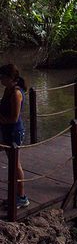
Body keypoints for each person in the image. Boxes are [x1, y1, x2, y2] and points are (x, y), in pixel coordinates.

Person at [0, 64, 28, 208]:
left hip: (14, 131)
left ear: (11, 78)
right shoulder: (8, 90)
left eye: (2, 77)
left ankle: (21, 197)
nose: (1, 80)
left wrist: (1, 119)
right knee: (12, 164)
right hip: (6, 130)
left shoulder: (16, 93)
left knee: (15, 164)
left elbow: (14, 118)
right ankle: (14, 196)